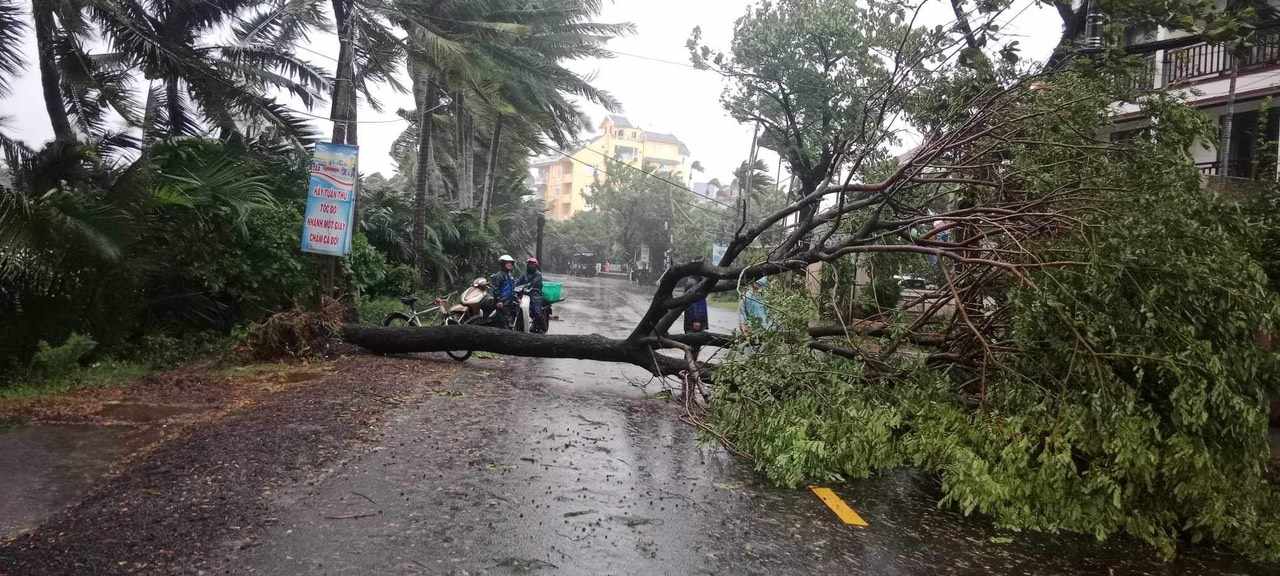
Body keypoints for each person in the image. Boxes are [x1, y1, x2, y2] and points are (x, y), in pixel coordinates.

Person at [680, 276, 709, 361]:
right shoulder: (693, 283)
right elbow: (693, 303)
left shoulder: (698, 281)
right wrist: (696, 319)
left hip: (696, 321)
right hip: (694, 322)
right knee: (693, 346)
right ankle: (687, 368)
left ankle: (689, 368)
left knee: (695, 346)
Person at [516, 257, 545, 333]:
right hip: (524, 293)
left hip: (535, 293)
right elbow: (518, 281)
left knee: (536, 311)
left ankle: (542, 327)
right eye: (529, 264)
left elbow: (533, 283)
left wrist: (527, 286)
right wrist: (514, 285)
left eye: (532, 264)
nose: (530, 265)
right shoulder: (524, 274)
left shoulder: (538, 274)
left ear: (536, 266)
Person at [490, 254, 517, 328]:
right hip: (502, 303)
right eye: (507, 263)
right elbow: (496, 289)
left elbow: (512, 289)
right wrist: (499, 300)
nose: (510, 264)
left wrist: (516, 298)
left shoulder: (509, 276)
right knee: (503, 324)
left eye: (511, 263)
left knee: (508, 321)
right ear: (502, 264)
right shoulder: (499, 275)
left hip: (508, 303)